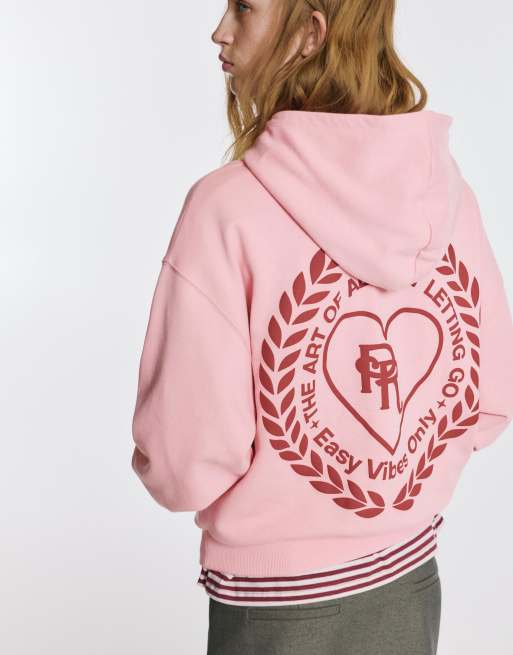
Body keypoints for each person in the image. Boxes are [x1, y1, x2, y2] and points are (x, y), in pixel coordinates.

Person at [130, 1, 513, 653]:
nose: (219, 30)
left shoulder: (226, 211)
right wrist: (396, 477)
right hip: (410, 585)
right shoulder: (446, 196)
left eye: (244, 8)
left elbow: (185, 463)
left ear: (309, 33)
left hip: (276, 612)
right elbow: (488, 398)